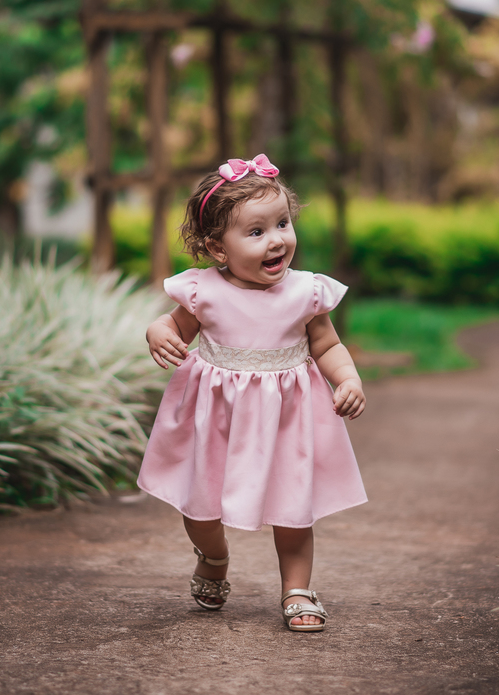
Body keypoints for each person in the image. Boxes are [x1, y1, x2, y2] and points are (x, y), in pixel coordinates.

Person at [138, 154, 367, 633]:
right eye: (256, 232)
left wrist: (347, 378)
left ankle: (297, 589)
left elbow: (326, 344)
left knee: (293, 507)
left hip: (287, 416)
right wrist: (158, 331)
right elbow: (173, 324)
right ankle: (214, 556)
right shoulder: (204, 291)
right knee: (200, 506)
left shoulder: (305, 292)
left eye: (282, 223)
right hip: (216, 416)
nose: (277, 239)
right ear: (218, 249)